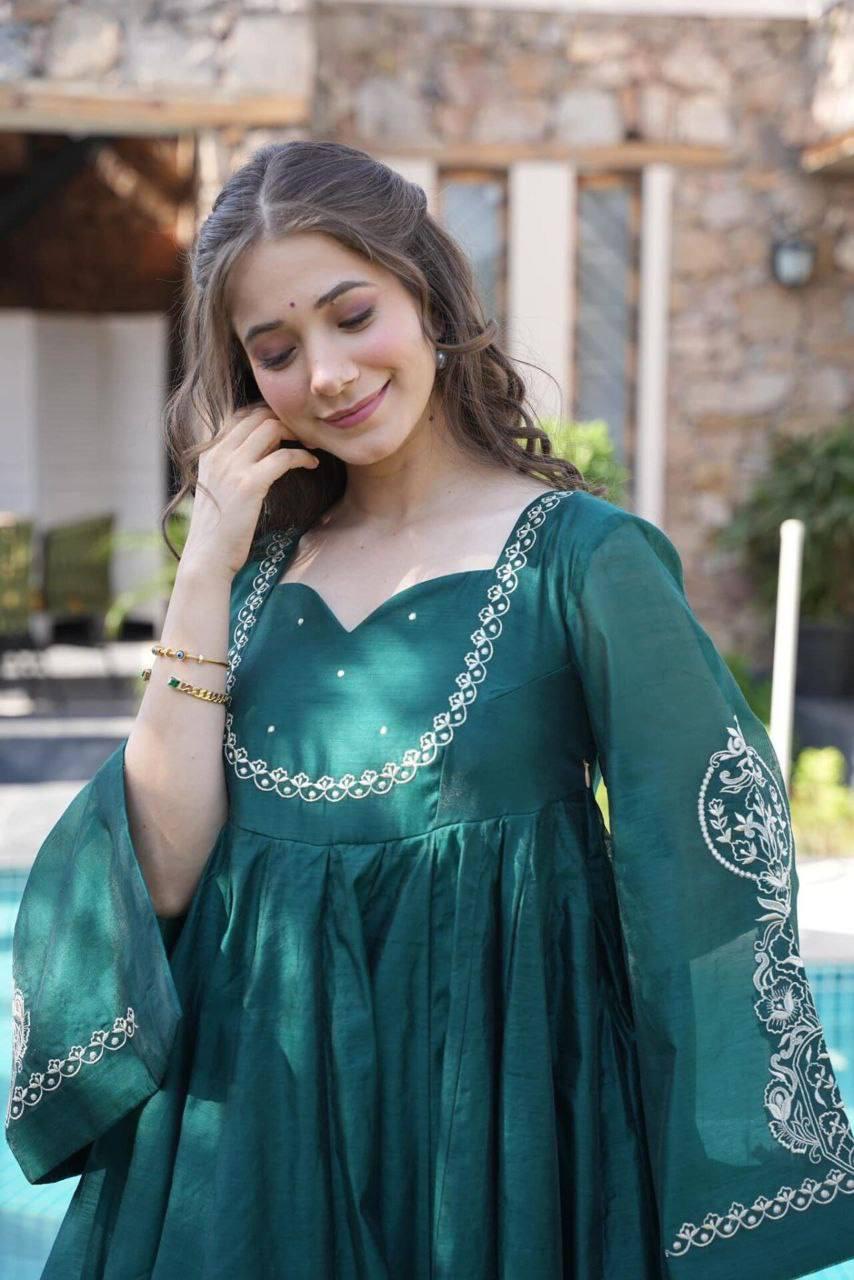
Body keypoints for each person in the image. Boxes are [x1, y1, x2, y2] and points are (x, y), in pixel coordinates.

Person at [5, 139, 854, 1280]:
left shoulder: (581, 560)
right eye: (276, 351)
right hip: (253, 1143)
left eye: (353, 314)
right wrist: (205, 564)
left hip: (494, 1139)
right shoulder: (253, 577)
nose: (327, 373)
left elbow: (704, 855)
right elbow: (156, 871)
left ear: (427, 295)